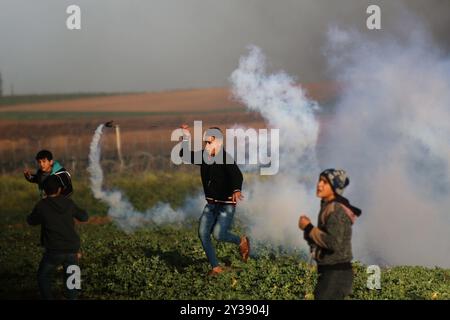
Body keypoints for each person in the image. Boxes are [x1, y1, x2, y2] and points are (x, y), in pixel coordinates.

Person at [179, 124, 250, 276]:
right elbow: (184, 155)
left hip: (226, 205)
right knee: (202, 233)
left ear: (219, 143)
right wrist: (185, 136)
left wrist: (237, 189)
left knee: (218, 234)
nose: (206, 145)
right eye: (205, 142)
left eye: (209, 142)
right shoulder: (204, 157)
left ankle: (241, 241)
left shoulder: (225, 158)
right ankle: (216, 267)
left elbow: (237, 176)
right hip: (211, 204)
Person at [298, 169, 361, 300]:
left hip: (336, 274)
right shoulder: (328, 207)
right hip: (330, 273)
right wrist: (308, 231)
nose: (319, 184)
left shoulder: (336, 210)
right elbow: (322, 241)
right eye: (319, 180)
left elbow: (333, 243)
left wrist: (309, 228)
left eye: (325, 182)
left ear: (335, 187)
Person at [27, 175, 88, 299]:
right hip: (72, 249)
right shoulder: (68, 203)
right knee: (72, 280)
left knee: (43, 276)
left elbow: (31, 221)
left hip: (54, 251)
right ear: (59, 189)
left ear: (44, 190)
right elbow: (84, 217)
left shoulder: (41, 205)